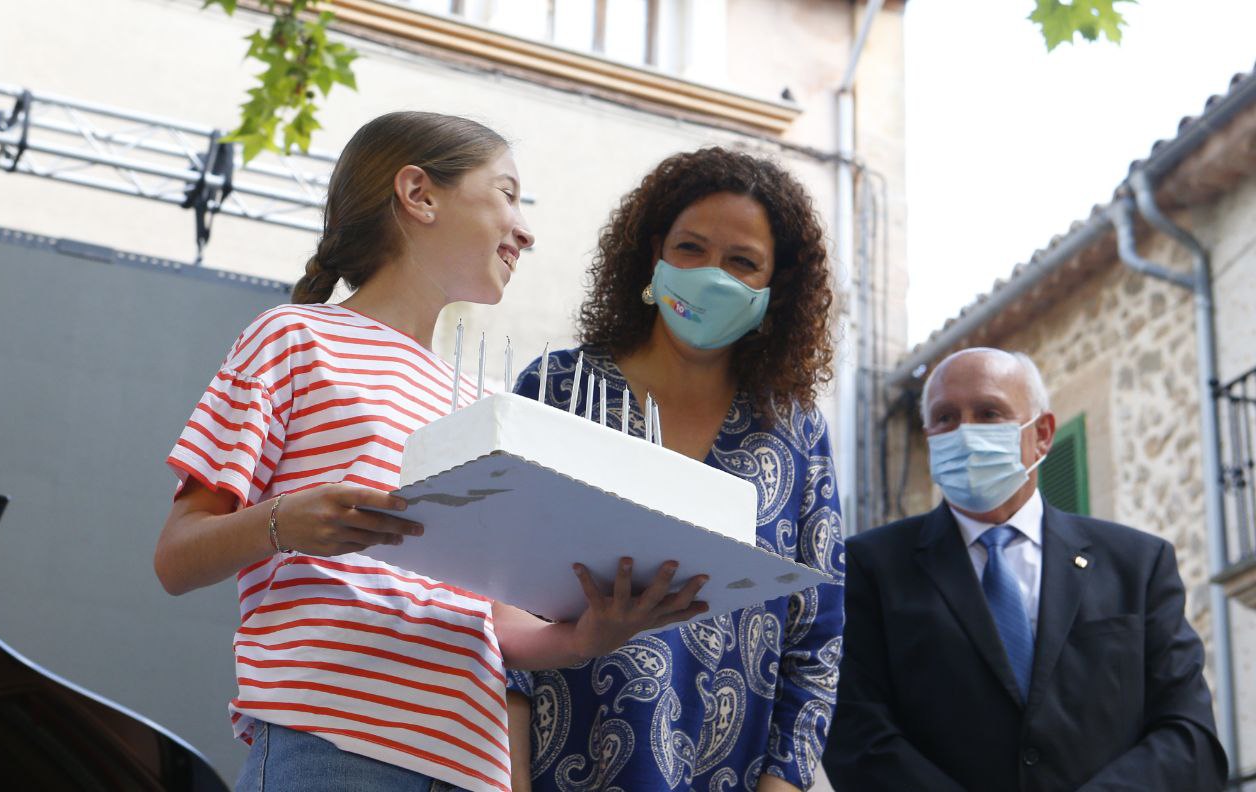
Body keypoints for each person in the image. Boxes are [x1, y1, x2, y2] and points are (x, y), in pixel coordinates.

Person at [153, 112, 708, 792]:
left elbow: (490, 618)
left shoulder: (484, 404)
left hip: (470, 766)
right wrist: (286, 522)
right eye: (507, 193)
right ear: (419, 194)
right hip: (334, 744)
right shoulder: (292, 338)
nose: (526, 230)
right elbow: (177, 556)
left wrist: (584, 638)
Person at [507, 146, 844, 792]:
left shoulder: (796, 432)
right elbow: (499, 596)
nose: (712, 275)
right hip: (557, 770)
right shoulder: (557, 389)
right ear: (654, 252)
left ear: (775, 291)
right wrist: (511, 777)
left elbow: (816, 643)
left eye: (742, 262)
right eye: (690, 249)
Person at [823, 347, 1227, 792]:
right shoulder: (870, 567)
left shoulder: (1138, 566)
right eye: (946, 418)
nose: (966, 432)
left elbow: (1188, 734)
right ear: (929, 437)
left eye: (989, 412)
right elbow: (856, 733)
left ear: (1043, 434)